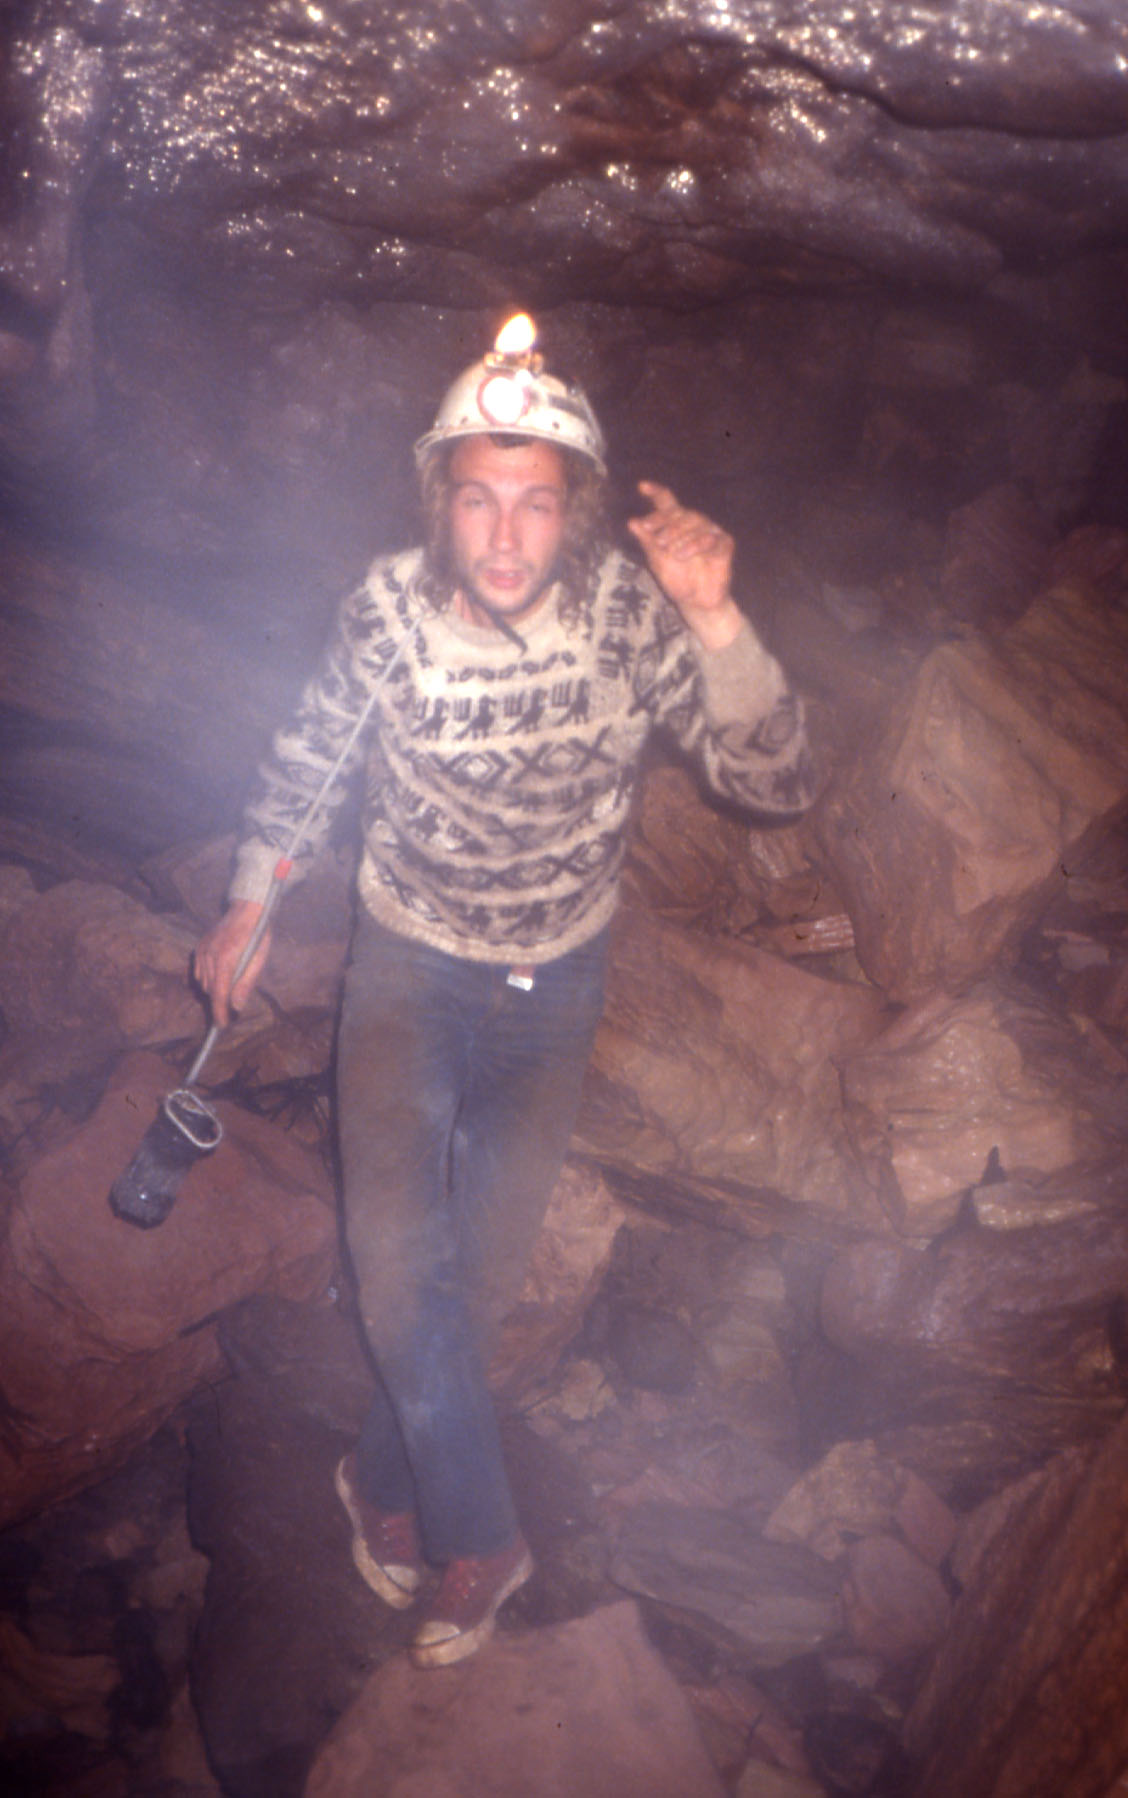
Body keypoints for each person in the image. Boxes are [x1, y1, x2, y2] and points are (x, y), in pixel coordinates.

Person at [193, 316, 815, 1669]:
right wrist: (252, 897)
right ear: (442, 500)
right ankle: (483, 1536)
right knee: (397, 1264)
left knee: (466, 1287)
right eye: (479, 497)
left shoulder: (628, 616)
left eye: (535, 501)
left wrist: (717, 619)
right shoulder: (386, 611)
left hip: (555, 984)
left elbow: (776, 784)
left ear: (573, 506)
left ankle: (381, 1476)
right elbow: (310, 758)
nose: (507, 533)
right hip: (409, 967)